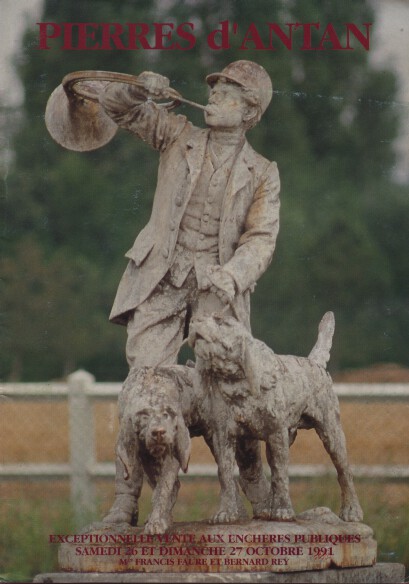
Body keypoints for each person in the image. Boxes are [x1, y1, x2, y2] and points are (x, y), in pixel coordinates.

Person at [99, 60, 280, 369]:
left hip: (217, 288)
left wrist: (232, 276)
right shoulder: (176, 135)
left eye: (225, 94)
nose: (213, 98)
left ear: (249, 111)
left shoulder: (263, 172)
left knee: (224, 382)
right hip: (161, 278)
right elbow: (118, 109)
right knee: (147, 376)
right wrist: (137, 89)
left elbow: (261, 239)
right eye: (214, 92)